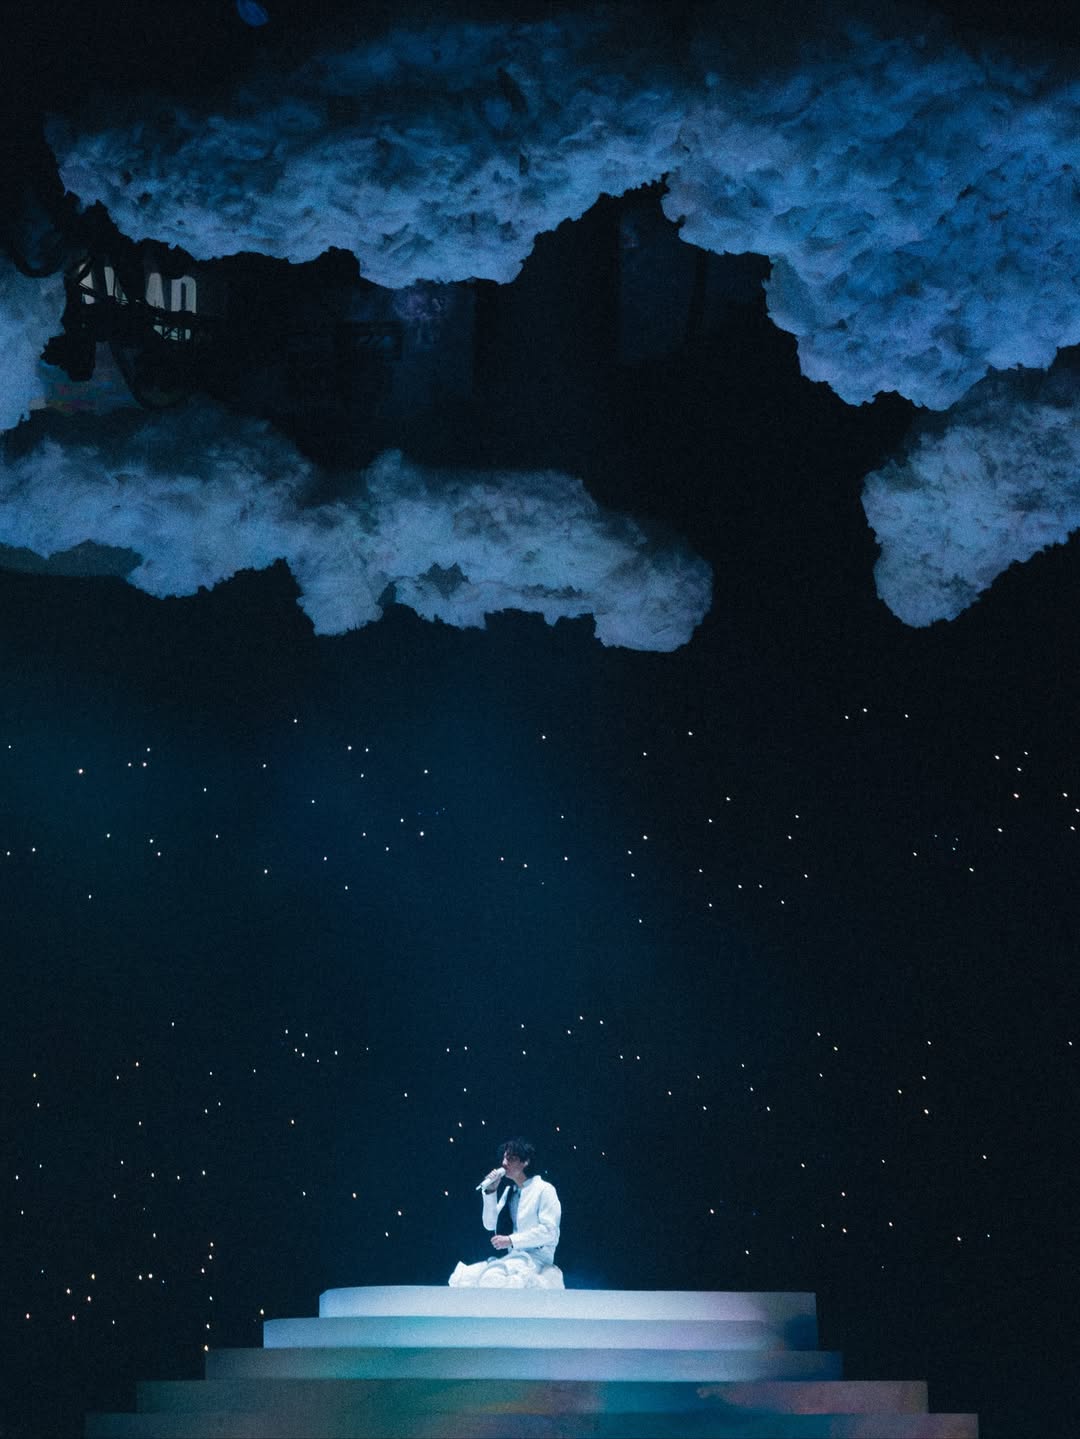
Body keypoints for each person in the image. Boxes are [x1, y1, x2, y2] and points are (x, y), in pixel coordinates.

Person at [448, 1137, 564, 1288]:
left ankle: (544, 1281)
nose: (504, 1163)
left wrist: (511, 1240)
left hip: (536, 1259)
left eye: (510, 1159)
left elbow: (549, 1232)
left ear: (525, 1162)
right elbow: (490, 1225)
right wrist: (491, 1192)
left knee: (492, 1277)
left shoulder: (544, 1189)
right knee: (463, 1277)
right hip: (514, 1258)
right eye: (504, 1158)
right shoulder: (510, 1192)